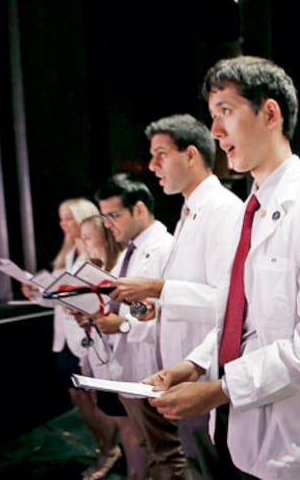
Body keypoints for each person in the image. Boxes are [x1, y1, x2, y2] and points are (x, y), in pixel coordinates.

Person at [144, 56, 300, 479]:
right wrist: (194, 364)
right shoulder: (253, 209)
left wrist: (220, 389)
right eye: (212, 116)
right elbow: (240, 321)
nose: (215, 131)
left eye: (226, 111)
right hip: (241, 431)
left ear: (269, 113)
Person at [109, 114, 244, 480]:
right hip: (185, 373)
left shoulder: (222, 209)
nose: (152, 166)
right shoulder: (190, 211)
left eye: (161, 154)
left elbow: (231, 303)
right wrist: (160, 303)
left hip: (207, 375)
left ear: (191, 155)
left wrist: (159, 289)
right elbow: (195, 289)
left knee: (208, 471)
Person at [93, 174, 189, 480]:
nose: (108, 224)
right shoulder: (128, 250)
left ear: (139, 209)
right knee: (150, 449)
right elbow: (130, 303)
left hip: (155, 368)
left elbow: (175, 316)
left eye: (114, 215)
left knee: (169, 454)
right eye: (104, 217)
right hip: (131, 368)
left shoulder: (166, 248)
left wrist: (122, 326)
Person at [23, 198, 122, 480]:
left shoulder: (96, 251)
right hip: (67, 337)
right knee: (78, 395)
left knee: (96, 397)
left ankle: (110, 449)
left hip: (90, 336)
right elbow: (57, 298)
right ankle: (104, 446)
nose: (64, 225)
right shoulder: (68, 254)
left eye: (69, 218)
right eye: (61, 219)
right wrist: (35, 292)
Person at [76, 214, 147, 480]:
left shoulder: (126, 268)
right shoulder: (93, 269)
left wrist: (119, 323)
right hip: (105, 356)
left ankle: (137, 474)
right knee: (120, 419)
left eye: (87, 236)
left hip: (129, 357)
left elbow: (140, 314)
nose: (83, 242)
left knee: (132, 427)